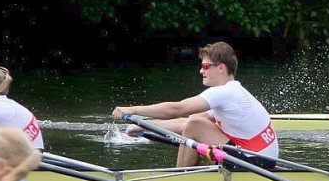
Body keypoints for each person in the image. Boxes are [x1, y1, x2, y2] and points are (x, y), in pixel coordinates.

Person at [112, 41, 278, 169]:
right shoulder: (232, 94)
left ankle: (182, 180)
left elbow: (176, 110)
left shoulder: (224, 92)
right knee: (195, 121)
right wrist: (144, 127)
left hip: (255, 163)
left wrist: (132, 109)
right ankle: (187, 175)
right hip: (259, 159)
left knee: (195, 124)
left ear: (221, 68)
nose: (201, 71)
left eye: (205, 66)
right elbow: (186, 123)